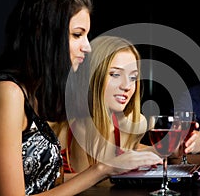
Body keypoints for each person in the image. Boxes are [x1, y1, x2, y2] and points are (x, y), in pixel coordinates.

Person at [0, 0, 162, 195]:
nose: (87, 46)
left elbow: (49, 181)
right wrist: (102, 169)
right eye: (77, 35)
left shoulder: (36, 95)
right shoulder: (8, 92)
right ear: (43, 32)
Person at [60, 35, 157, 173]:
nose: (127, 86)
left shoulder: (134, 123)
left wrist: (166, 149)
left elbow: (132, 151)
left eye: (133, 77)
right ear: (92, 76)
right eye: (116, 74)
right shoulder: (60, 128)